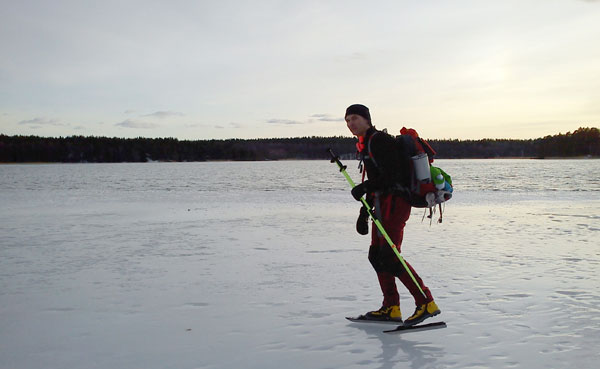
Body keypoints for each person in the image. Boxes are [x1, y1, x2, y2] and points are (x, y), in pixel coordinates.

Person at [344, 103, 440, 326]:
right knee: (377, 256)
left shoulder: (379, 141)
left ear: (367, 120)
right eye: (347, 120)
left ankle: (426, 302)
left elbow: (395, 174)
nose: (351, 123)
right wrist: (364, 212)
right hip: (381, 204)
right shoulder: (366, 144)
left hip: (395, 203)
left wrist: (365, 188)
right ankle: (391, 307)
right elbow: (377, 180)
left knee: (390, 256)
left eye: (355, 118)